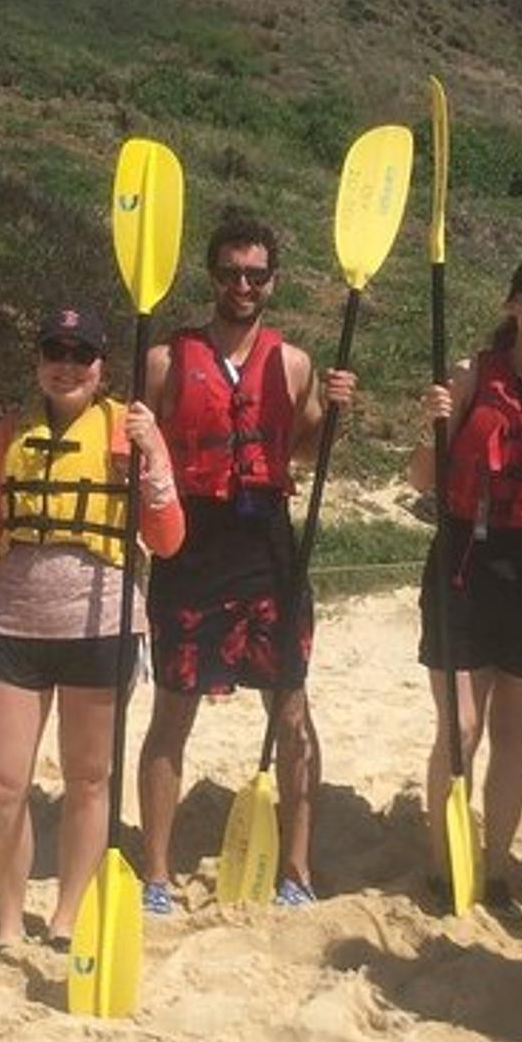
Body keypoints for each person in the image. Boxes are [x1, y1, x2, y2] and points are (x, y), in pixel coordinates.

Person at [137, 210, 356, 912]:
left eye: (255, 274)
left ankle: (296, 868)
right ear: (212, 275)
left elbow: (305, 450)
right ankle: (157, 875)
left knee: (290, 709)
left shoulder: (293, 364)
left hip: (268, 550)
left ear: (273, 281)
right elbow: (137, 457)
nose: (242, 284)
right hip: (190, 547)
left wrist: (333, 414)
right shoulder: (168, 360)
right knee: (173, 709)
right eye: (231, 271)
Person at [0, 307, 185, 955]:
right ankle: (7, 918)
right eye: (54, 350)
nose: (66, 364)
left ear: (100, 366)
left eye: (80, 354)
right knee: (3, 783)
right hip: (12, 624)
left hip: (99, 625)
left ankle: (65, 915)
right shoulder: (9, 434)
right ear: (38, 360)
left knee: (88, 779)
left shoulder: (127, 430)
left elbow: (165, 541)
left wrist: (154, 460)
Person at [406, 256, 522, 911]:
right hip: (465, 557)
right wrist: (437, 421)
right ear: (511, 305)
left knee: (514, 729)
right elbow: (421, 479)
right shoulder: (472, 374)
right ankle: (443, 860)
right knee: (461, 725)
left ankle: (497, 864)